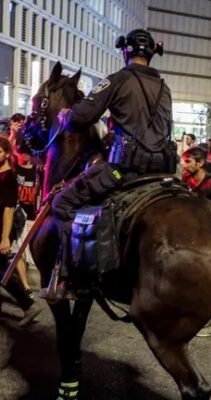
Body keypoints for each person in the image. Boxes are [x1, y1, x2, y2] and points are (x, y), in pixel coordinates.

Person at [47, 29, 176, 299]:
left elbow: (82, 117)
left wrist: (66, 115)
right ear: (152, 54)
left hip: (123, 171)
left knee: (62, 203)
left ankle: (72, 276)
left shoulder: (118, 79)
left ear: (125, 51)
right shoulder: (165, 88)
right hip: (162, 173)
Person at [0, 136, 42, 326]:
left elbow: (9, 209)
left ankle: (29, 305)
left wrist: (4, 238)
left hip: (1, 230)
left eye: (0, 151)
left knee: (4, 272)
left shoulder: (9, 178)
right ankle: (28, 305)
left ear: (7, 153)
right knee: (2, 271)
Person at [11, 151, 38, 295]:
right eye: (23, 152)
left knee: (26, 252)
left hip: (30, 216)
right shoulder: (15, 169)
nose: (25, 155)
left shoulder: (37, 171)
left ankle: (26, 285)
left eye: (28, 153)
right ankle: (24, 285)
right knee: (18, 251)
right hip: (15, 214)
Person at [181, 147, 211, 214]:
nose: (184, 166)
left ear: (200, 163)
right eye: (184, 162)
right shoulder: (185, 179)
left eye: (188, 162)